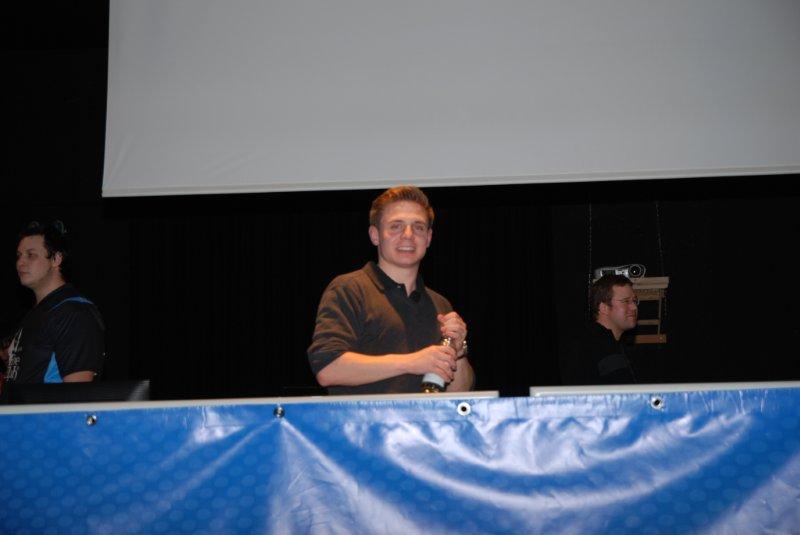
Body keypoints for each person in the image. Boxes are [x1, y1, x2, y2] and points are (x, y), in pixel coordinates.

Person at [308, 186, 474, 394]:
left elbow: (459, 393)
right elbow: (328, 369)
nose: (408, 235)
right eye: (396, 226)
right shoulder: (349, 289)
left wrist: (458, 351)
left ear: (428, 238)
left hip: (426, 417)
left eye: (418, 227)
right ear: (375, 235)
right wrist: (412, 362)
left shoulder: (440, 304)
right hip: (366, 417)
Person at [1, 220, 104, 385]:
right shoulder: (37, 313)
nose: (20, 263)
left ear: (56, 259)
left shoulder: (74, 312)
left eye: (31, 255)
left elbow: (78, 393)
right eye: (19, 256)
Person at [561, 274, 638, 385]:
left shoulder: (594, 340)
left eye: (634, 301)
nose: (634, 307)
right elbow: (624, 391)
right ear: (604, 308)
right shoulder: (602, 345)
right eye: (626, 301)